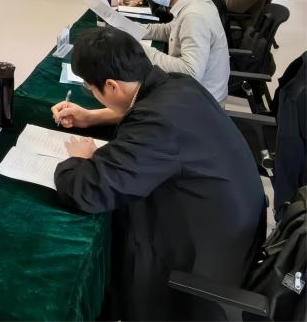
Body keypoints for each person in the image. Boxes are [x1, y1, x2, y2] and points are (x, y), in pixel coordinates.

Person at [52, 27, 264, 320]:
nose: (92, 95)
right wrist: (92, 117)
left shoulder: (156, 125)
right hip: (235, 227)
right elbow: (144, 110)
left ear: (111, 86)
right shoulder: (178, 84)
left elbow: (88, 191)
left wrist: (78, 160)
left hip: (203, 260)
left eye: (91, 89)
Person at [141, 0, 230, 102]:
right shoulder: (195, 1)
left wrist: (140, 49)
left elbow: (190, 71)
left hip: (200, 103)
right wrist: (130, 28)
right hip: (195, 93)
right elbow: (170, 30)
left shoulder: (194, 15)